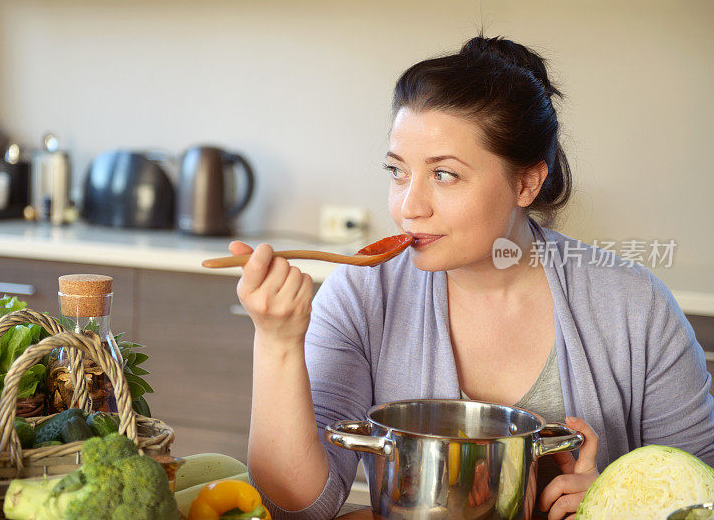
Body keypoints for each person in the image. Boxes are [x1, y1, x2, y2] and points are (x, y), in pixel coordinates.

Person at [229, 35, 714, 520]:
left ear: (526, 183)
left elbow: (703, 492)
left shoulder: (634, 305)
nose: (407, 207)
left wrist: (613, 501)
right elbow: (295, 510)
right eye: (398, 172)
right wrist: (277, 343)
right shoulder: (361, 295)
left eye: (444, 175)